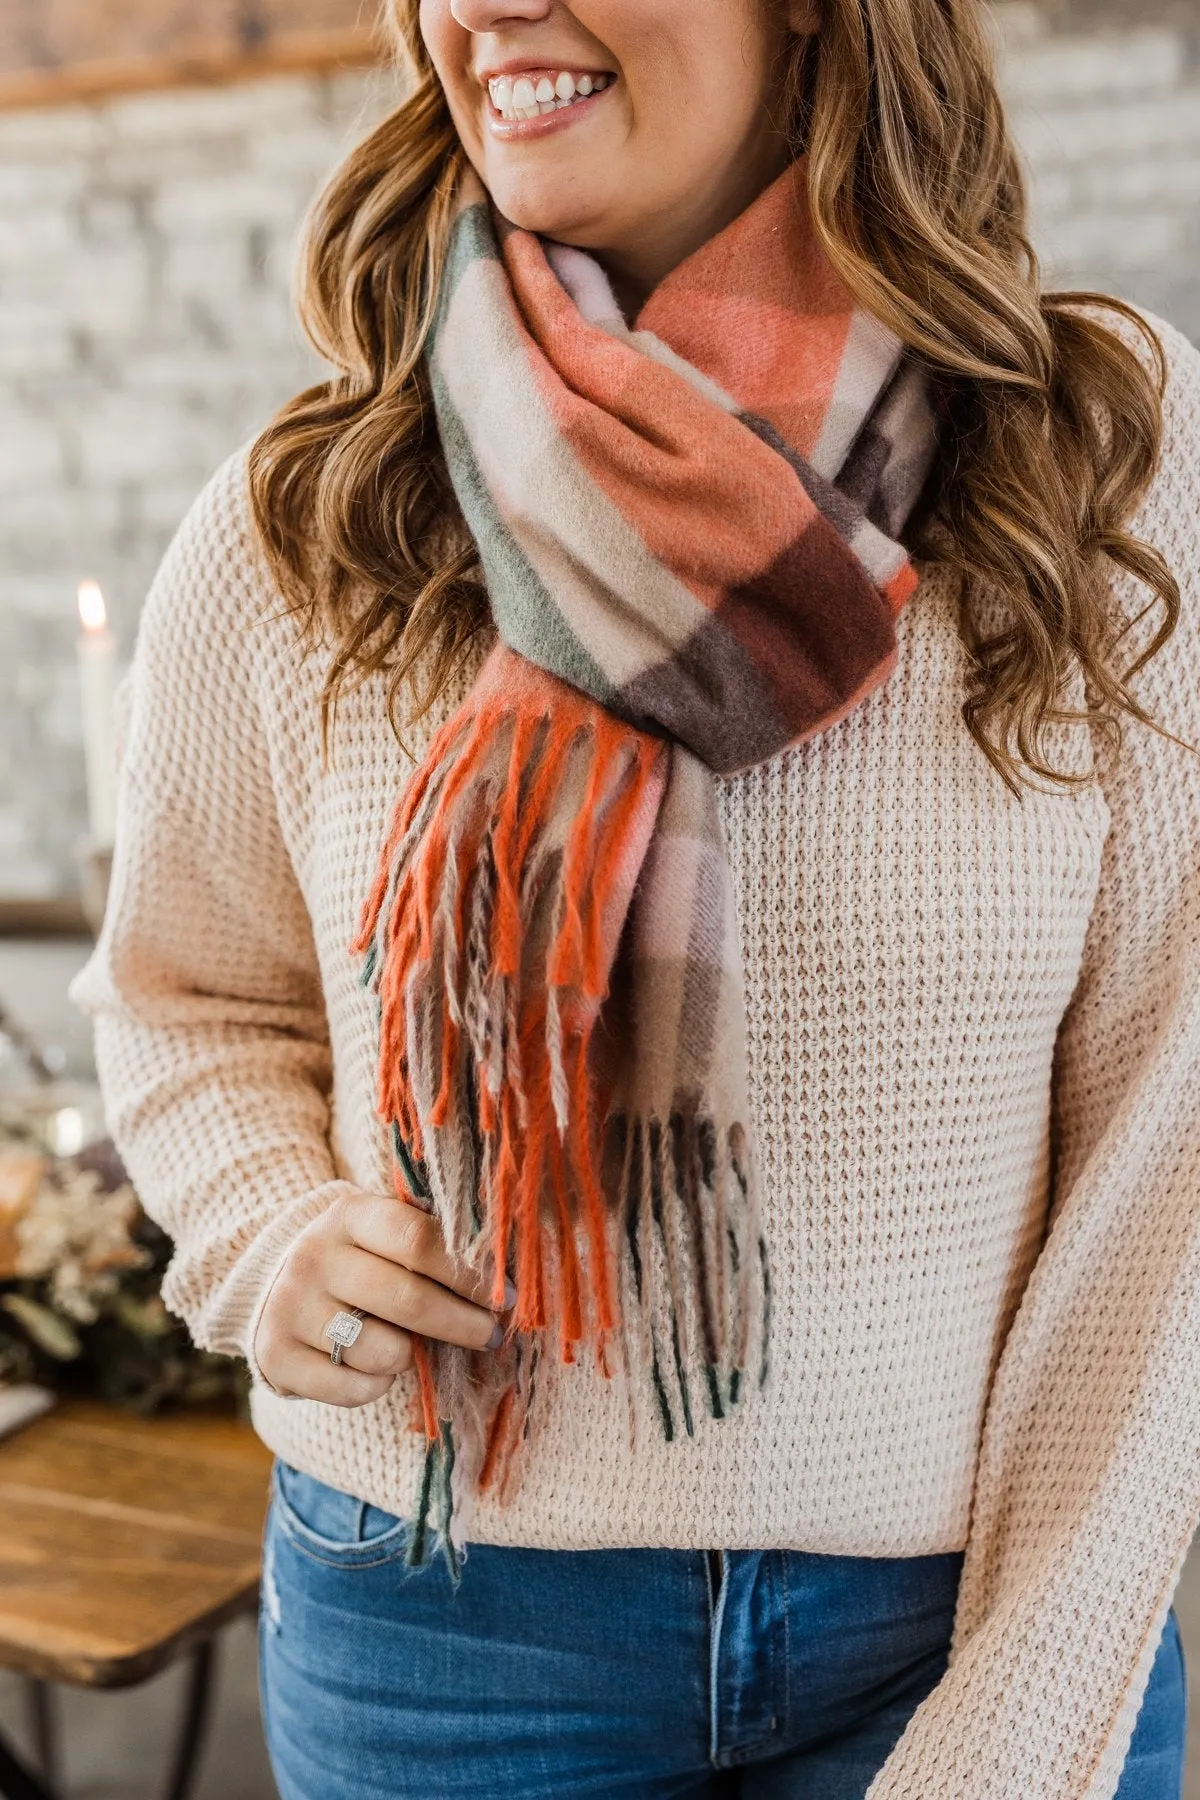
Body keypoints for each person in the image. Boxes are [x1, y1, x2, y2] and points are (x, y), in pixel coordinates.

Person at [70, 0, 1200, 1794]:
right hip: (441, 1629)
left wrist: (1029, 1696)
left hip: (965, 1617)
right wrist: (271, 1230)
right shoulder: (313, 510)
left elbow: (1174, 1150)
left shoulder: (1094, 464)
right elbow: (192, 1001)